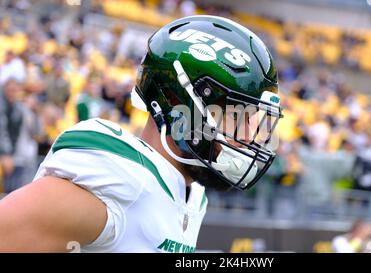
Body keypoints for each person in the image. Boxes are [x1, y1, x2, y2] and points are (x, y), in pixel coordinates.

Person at [0, 15, 282, 252]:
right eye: (238, 117)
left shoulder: (191, 194)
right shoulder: (123, 179)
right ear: (183, 106)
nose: (249, 135)